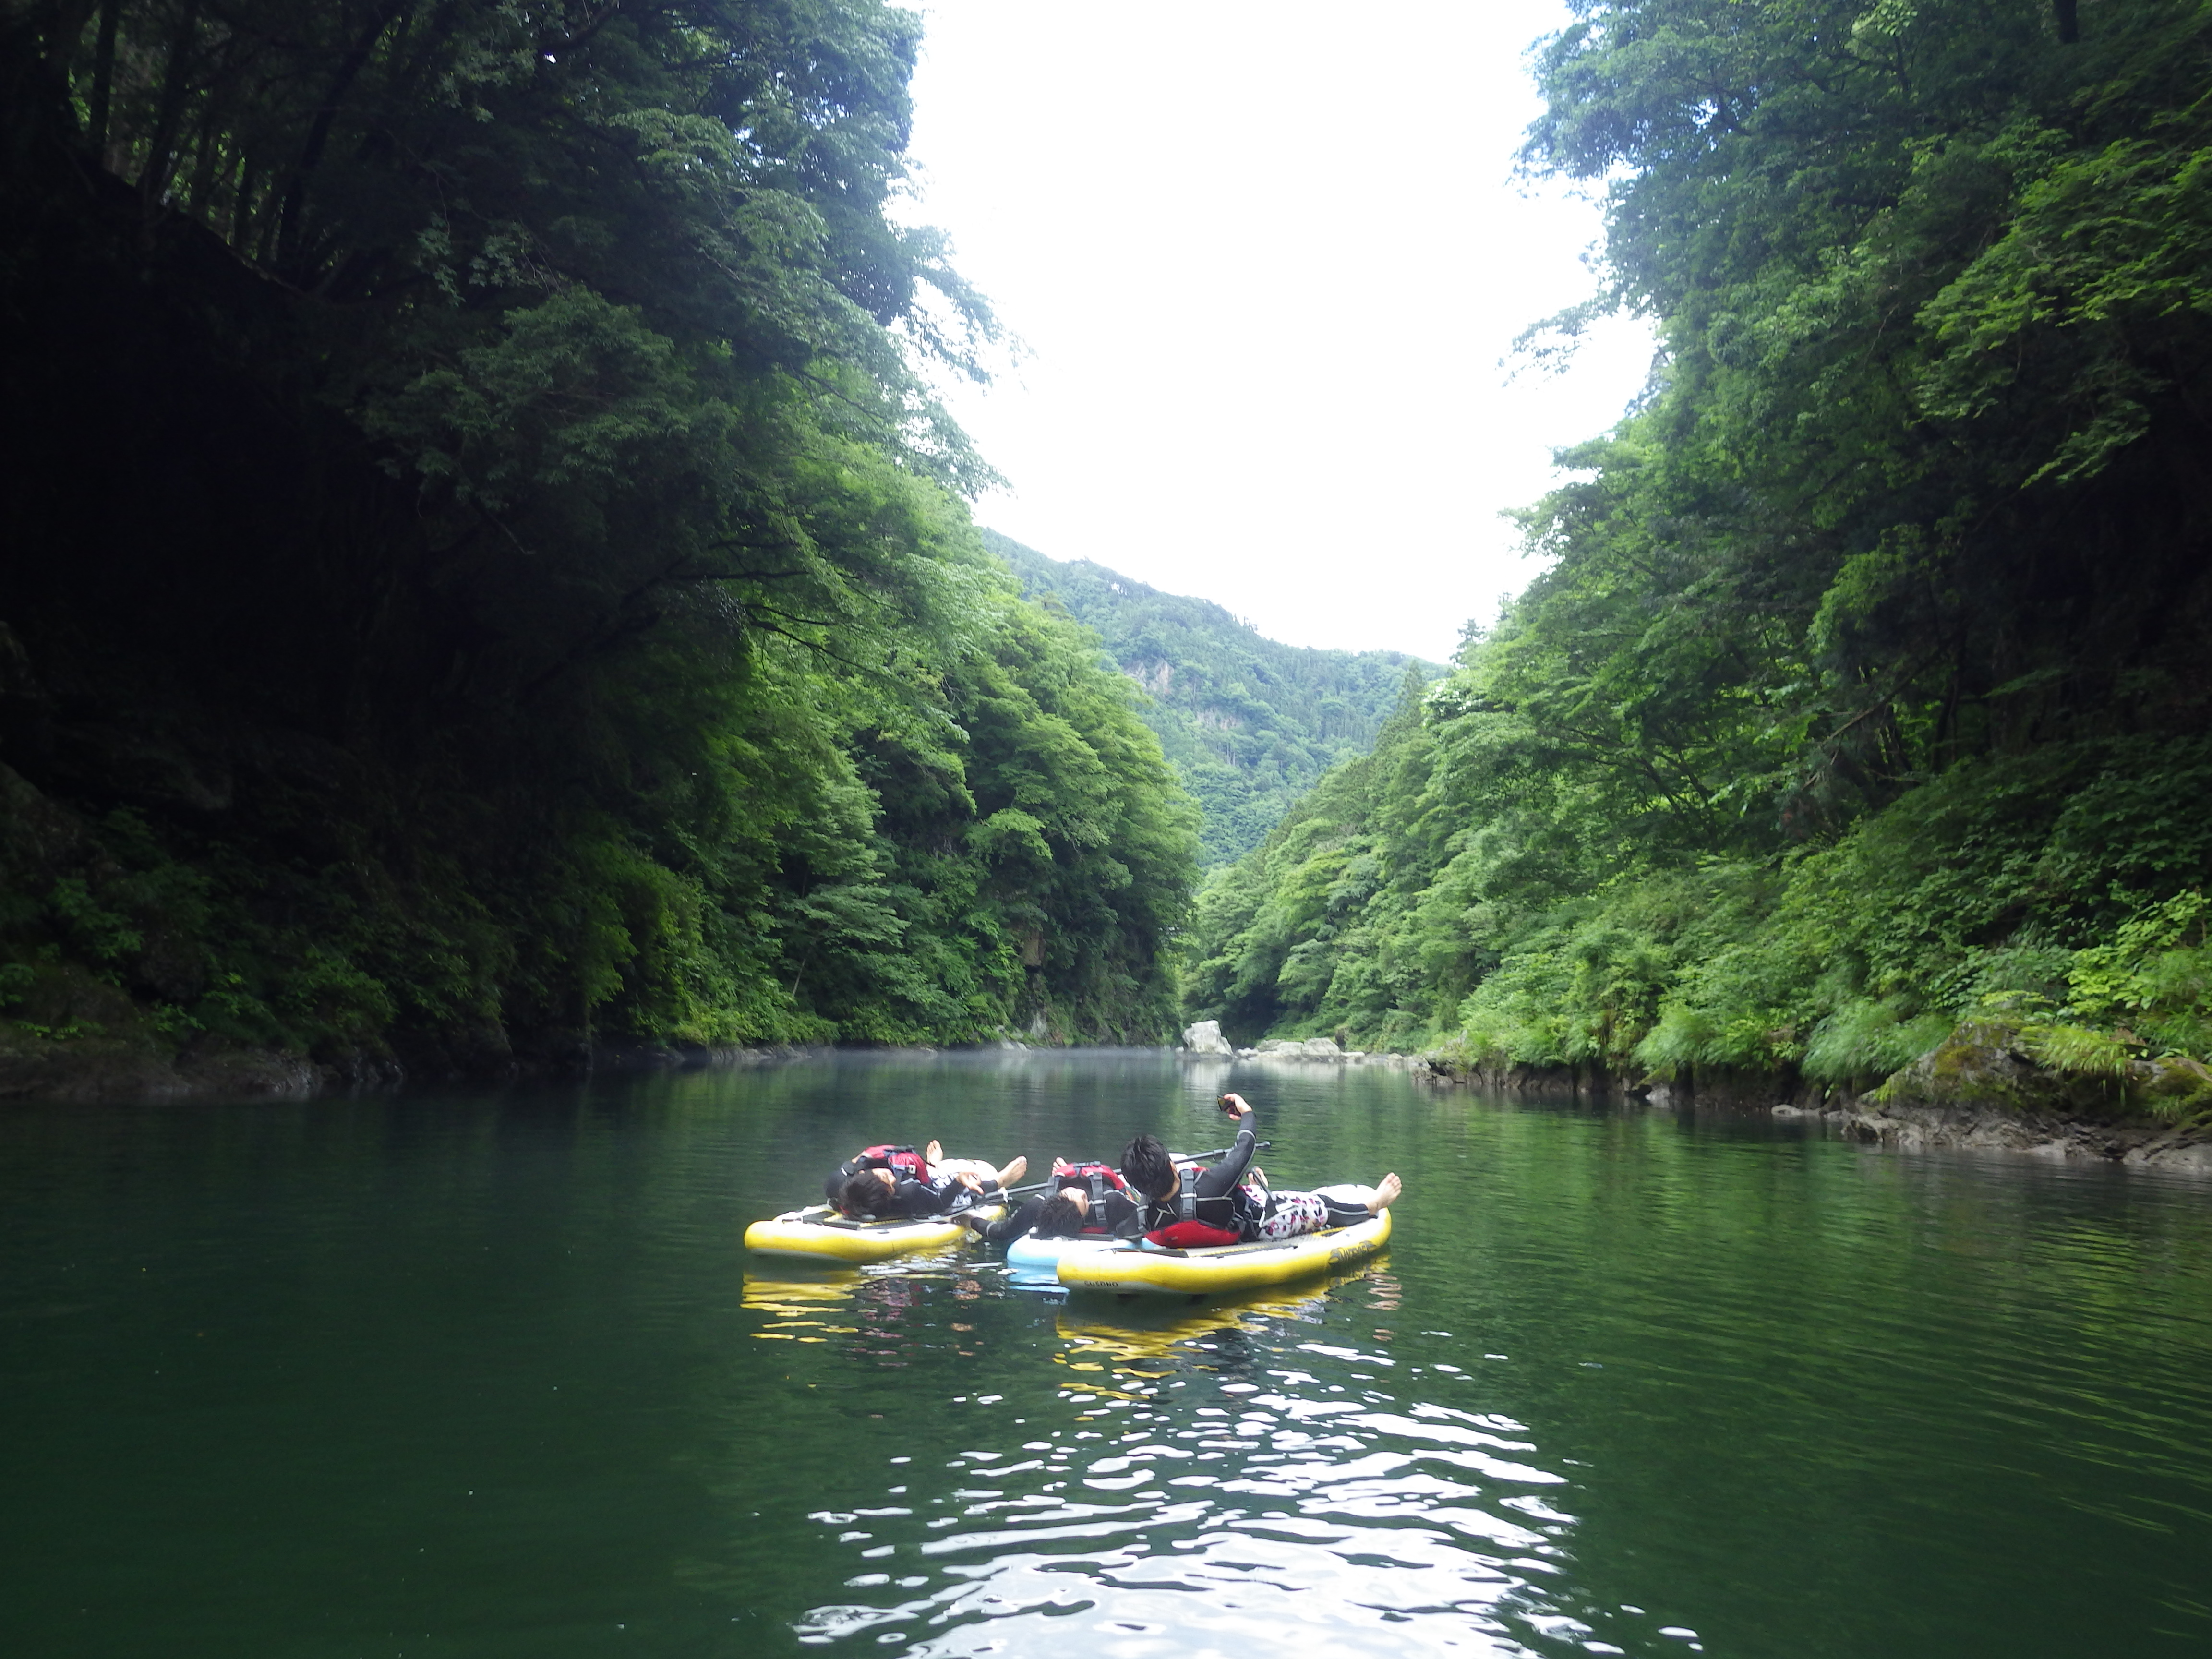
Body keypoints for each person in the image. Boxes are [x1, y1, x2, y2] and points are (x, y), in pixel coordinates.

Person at [1121, 1092, 1401, 1247]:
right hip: (1259, 1227)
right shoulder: (1215, 1183)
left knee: (1244, 1187)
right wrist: (1247, 1112)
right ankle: (1375, 1203)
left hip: (1220, 1214)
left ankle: (1255, 1189)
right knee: (1323, 1205)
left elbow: (1123, 1231)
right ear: (1171, 1164)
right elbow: (1246, 1144)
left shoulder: (1146, 1215)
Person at [828, 1142, 1028, 1221]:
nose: (889, 1175)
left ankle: (931, 1165)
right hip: (927, 1192)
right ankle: (1001, 1180)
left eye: (882, 1174)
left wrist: (865, 1157)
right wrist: (958, 1181)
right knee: (965, 1192)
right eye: (888, 1181)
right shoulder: (907, 1193)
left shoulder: (843, 1180)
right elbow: (941, 1204)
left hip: (917, 1178)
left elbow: (856, 1164)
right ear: (889, 1193)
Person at [965, 1159, 1143, 1243]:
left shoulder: (1112, 1202)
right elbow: (1002, 1232)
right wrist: (968, 1219)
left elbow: (1144, 1216)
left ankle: (1067, 1169)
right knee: (1065, 1176)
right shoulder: (1038, 1205)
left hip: (1108, 1185)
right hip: (1064, 1183)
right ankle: (1065, 1171)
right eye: (1082, 1198)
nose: (1082, 1194)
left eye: (1083, 1198)